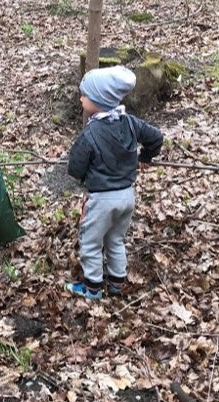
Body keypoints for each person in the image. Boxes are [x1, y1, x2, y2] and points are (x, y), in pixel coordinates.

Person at [65, 65, 164, 300]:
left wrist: (82, 178)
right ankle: (118, 282)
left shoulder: (90, 134)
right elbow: (156, 137)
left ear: (98, 101)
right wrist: (145, 158)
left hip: (101, 200)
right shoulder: (129, 122)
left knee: (90, 243)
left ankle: (92, 288)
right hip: (127, 196)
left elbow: (75, 167)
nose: (81, 99)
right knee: (116, 240)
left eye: (85, 96)